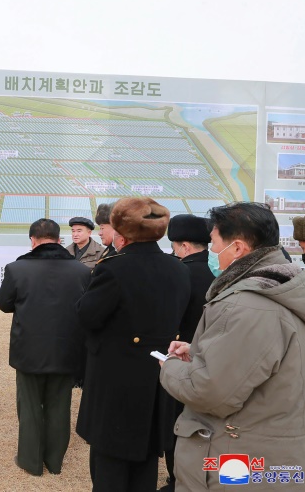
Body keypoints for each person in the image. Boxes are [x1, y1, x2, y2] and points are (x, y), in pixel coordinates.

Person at [160, 202, 305, 491]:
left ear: (238, 248)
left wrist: (170, 367)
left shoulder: (247, 305)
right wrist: (198, 352)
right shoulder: (287, 286)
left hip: (239, 456)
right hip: (276, 449)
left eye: (215, 243)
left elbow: (210, 392)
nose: (212, 251)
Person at [75, 197, 190, 492]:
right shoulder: (178, 268)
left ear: (122, 232)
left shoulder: (113, 268)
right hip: (156, 377)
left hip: (115, 379)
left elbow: (87, 316)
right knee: (146, 459)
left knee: (109, 465)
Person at [0, 219, 91, 476]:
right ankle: (55, 461)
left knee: (29, 405)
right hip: (67, 348)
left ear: (33, 240)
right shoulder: (81, 271)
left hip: (29, 349)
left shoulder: (17, 268)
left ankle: (31, 461)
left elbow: (4, 304)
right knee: (59, 405)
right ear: (59, 239)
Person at [159, 213, 214, 492]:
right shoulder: (217, 275)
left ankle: (176, 479)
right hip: (210, 358)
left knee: (177, 423)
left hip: (180, 355)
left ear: (184, 246)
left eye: (174, 246)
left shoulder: (179, 273)